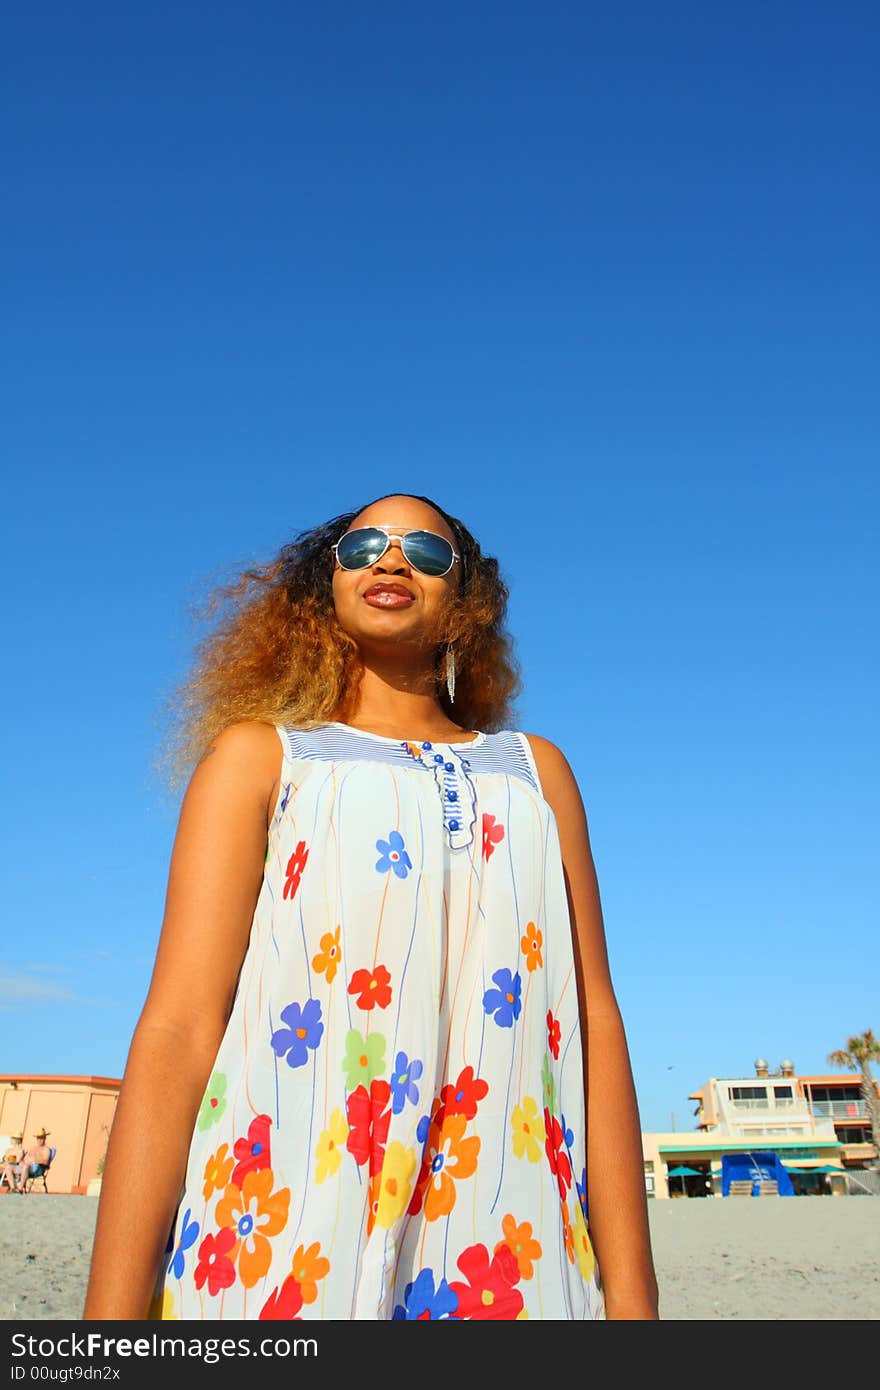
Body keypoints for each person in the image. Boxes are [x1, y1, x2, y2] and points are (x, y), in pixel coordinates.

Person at [83, 492, 659, 1321]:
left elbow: (596, 1025)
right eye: (364, 549)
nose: (392, 561)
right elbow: (179, 1027)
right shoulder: (261, 760)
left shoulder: (536, 775)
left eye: (427, 554)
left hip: (508, 1250)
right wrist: (109, 1326)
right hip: (277, 1236)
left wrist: (635, 1303)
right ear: (326, 588)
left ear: (469, 603)